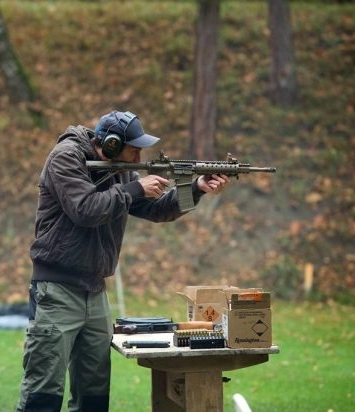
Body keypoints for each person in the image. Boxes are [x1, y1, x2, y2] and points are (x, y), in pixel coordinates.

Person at [15, 110, 230, 412]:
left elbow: (157, 211)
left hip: (95, 290)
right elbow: (85, 209)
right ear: (113, 145)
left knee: (94, 391)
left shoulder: (120, 168)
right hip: (57, 290)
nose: (139, 155)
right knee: (44, 390)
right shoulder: (65, 157)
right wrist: (133, 188)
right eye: (134, 148)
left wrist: (196, 188)